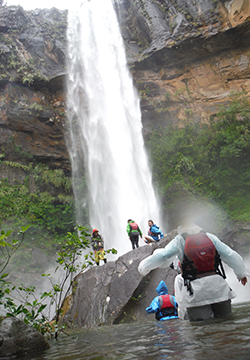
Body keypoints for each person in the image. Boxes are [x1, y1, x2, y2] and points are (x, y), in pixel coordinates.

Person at [138, 222, 249, 321]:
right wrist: (241, 273)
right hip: (219, 288)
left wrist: (144, 267)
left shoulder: (180, 240)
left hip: (196, 291)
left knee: (201, 329)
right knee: (227, 323)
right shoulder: (210, 237)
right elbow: (230, 254)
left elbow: (163, 256)